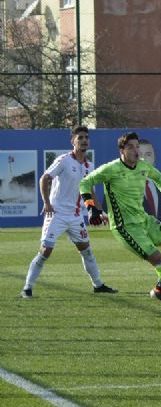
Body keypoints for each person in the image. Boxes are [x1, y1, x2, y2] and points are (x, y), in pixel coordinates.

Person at [80, 131, 161, 310]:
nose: (136, 151)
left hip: (144, 220)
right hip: (125, 227)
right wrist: (91, 207)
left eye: (137, 147)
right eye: (130, 147)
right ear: (122, 150)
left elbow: (159, 178)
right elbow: (85, 183)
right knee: (157, 258)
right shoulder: (111, 169)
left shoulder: (143, 166)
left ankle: (160, 289)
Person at [20, 126, 117, 299]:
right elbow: (44, 178)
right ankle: (27, 288)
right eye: (80, 137)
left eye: (86, 137)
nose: (84, 140)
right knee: (45, 252)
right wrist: (46, 203)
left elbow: (90, 191)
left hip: (75, 216)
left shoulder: (90, 166)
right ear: (73, 141)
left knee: (86, 250)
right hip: (56, 214)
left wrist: (99, 210)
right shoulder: (64, 160)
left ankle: (98, 285)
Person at [138, 139, 161, 223]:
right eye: (140, 155)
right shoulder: (122, 185)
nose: (144, 159)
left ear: (154, 158)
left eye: (148, 155)